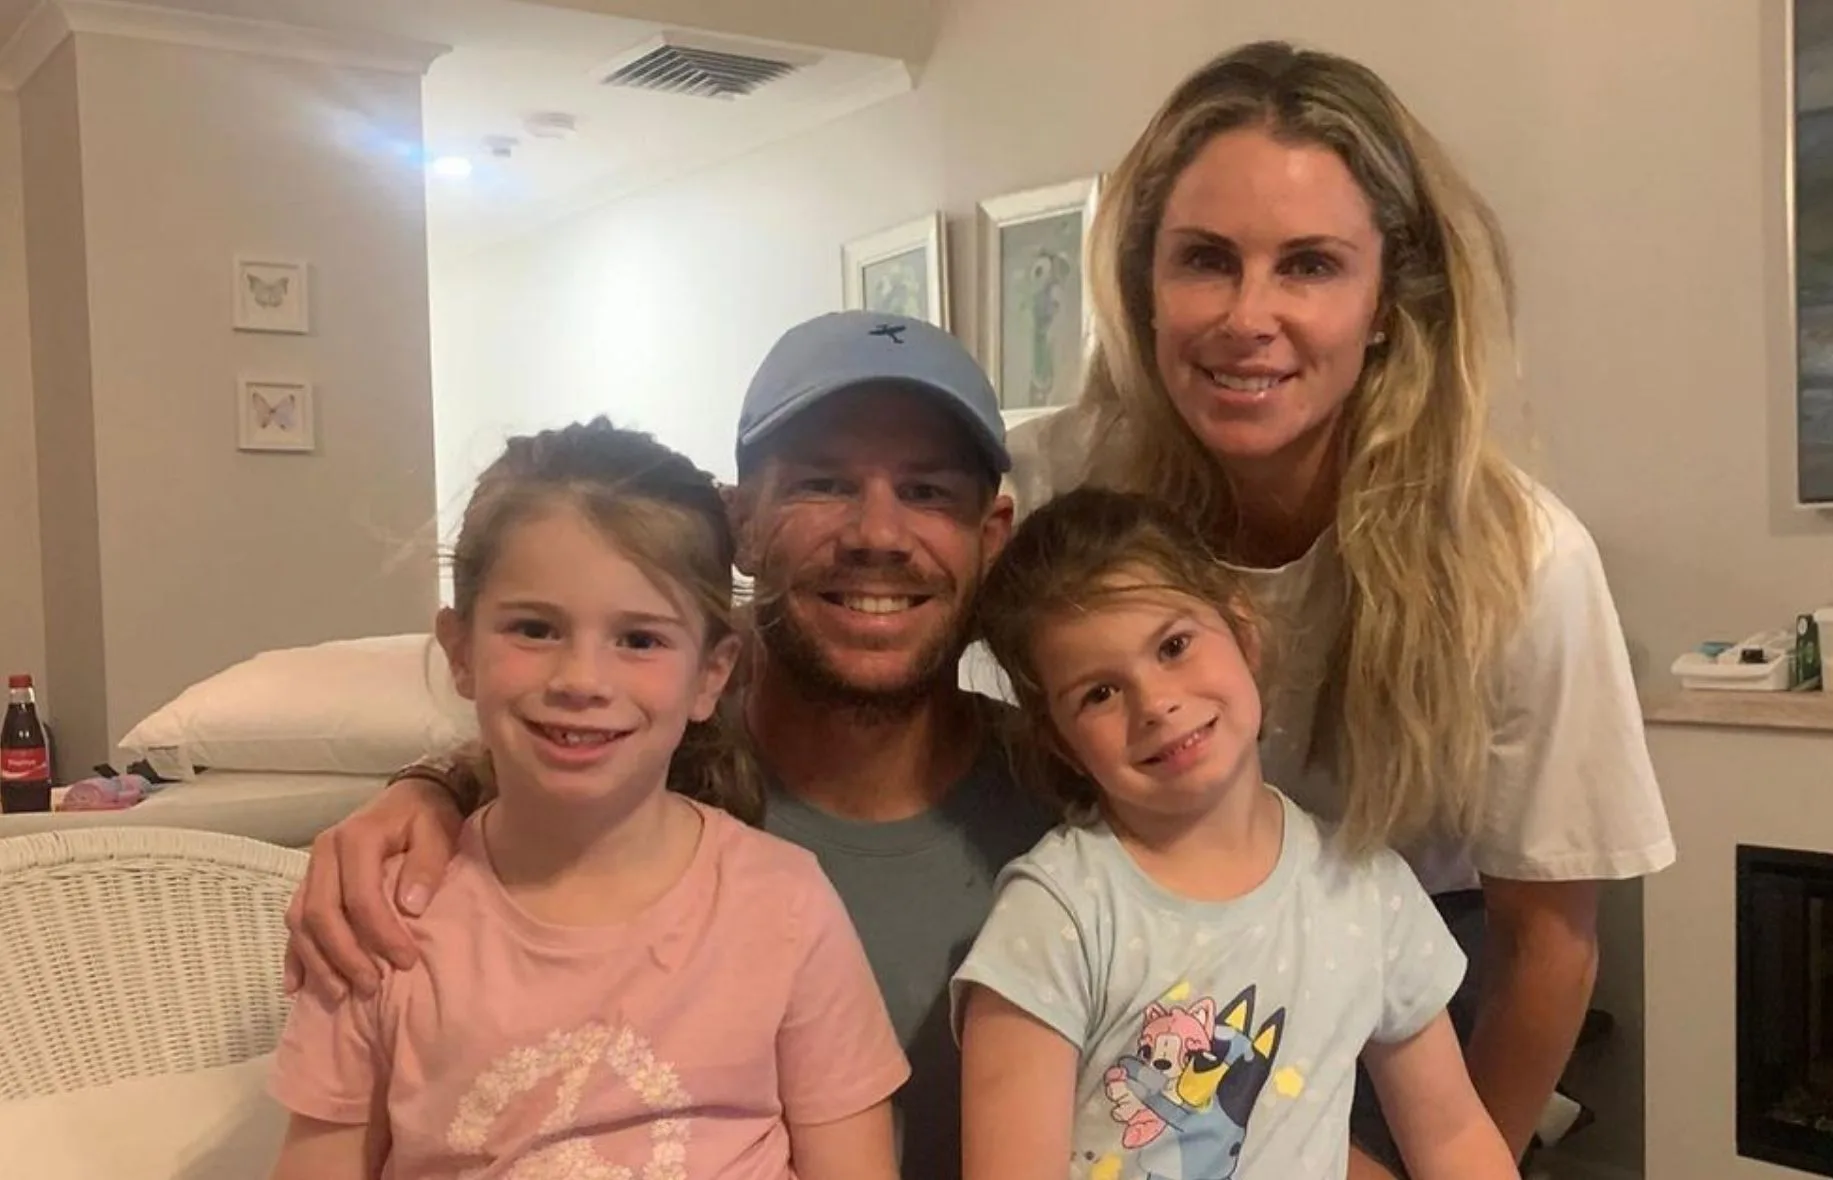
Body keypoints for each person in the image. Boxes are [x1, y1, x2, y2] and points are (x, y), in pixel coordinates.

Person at [1004, 40, 1674, 1177]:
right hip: (1117, 983)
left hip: (1393, 1001)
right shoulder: (1052, 485)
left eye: (1309, 266)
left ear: (1384, 304)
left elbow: (1550, 945)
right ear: (1141, 281)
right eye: (1204, 260)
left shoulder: (1524, 560)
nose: (1246, 316)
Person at [279, 314, 1057, 1180]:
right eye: (824, 483)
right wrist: (425, 789)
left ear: (992, 535)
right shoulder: (640, 774)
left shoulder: (1078, 778)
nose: (877, 533)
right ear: (742, 522)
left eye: (928, 492)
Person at [268, 420, 906, 1179]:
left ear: (712, 674)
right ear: (461, 649)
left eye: (639, 640)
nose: (581, 679)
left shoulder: (785, 907)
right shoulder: (385, 923)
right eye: (534, 629)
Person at [955, 487, 1519, 1180]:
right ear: (1064, 745)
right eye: (1099, 693)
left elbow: (1454, 1137)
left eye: (1174, 645)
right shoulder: (1057, 914)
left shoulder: (1367, 889)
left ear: (1244, 634)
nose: (1156, 703)